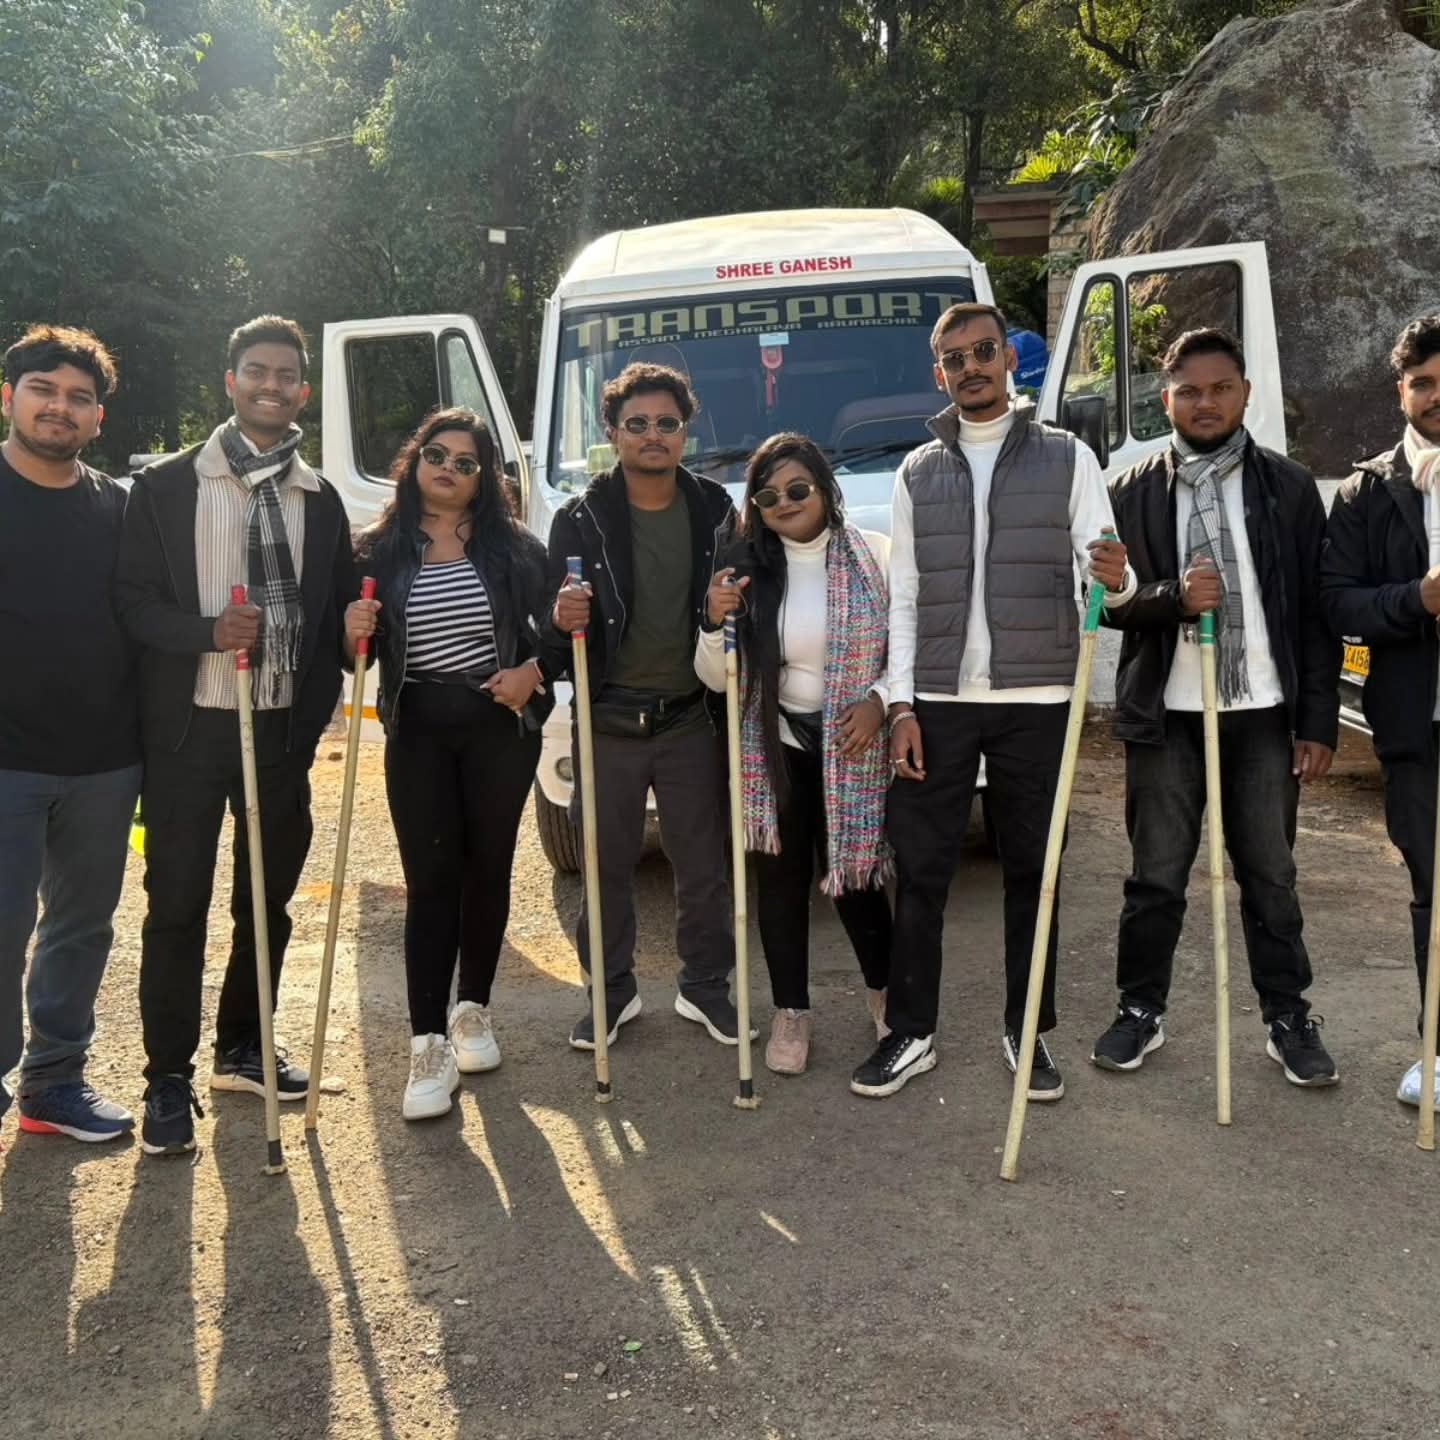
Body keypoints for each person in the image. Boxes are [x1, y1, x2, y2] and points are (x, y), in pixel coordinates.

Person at [852, 301, 1132, 1101]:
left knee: (1034, 871)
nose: (971, 367)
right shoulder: (917, 471)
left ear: (1009, 358)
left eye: (984, 352)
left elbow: (1109, 579)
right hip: (937, 702)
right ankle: (911, 1032)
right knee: (921, 871)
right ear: (937, 372)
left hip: (1038, 698)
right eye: (955, 358)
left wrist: (1120, 580)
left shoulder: (1068, 457)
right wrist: (901, 706)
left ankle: (1028, 1032)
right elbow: (905, 597)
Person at [115, 314, 357, 1156]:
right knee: (176, 906)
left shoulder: (321, 500)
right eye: (256, 370)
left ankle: (243, 1047)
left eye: (286, 375)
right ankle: (166, 1077)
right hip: (188, 734)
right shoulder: (165, 487)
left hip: (279, 732)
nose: (271, 385)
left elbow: (334, 616)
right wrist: (208, 632)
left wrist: (350, 639)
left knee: (267, 903)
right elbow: (132, 604)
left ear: (303, 391)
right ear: (230, 381)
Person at [1094, 328, 1340, 1086]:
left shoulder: (1288, 488)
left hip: (1263, 711)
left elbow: (1316, 614)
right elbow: (1108, 608)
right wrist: (1171, 596)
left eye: (1220, 389)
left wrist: (1317, 721)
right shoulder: (1132, 491)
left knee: (1269, 872)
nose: (1206, 403)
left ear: (1245, 394)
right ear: (1165, 399)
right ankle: (1140, 1009)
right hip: (1166, 715)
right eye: (1189, 391)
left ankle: (1287, 1016)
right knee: (1157, 875)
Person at [346, 408, 556, 1121]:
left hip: (500, 729)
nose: (448, 469)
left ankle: (473, 1011)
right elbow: (346, 649)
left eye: (467, 463)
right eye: (437, 454)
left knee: (487, 869)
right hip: (419, 731)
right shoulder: (377, 550)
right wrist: (349, 629)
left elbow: (564, 633)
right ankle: (427, 1044)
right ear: (415, 460)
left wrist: (533, 672)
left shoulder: (516, 550)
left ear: (484, 479)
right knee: (430, 880)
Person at [548, 362, 745, 1049]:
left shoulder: (716, 509)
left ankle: (705, 987)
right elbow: (552, 625)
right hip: (607, 719)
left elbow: (743, 601)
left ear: (686, 431)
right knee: (604, 870)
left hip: (690, 715)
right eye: (638, 424)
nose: (653, 435)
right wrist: (561, 614)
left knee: (704, 867)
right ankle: (611, 992)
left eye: (667, 423)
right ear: (613, 432)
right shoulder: (578, 519)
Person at [696, 434, 892, 1076]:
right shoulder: (745, 571)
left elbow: (906, 648)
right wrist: (713, 620)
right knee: (780, 885)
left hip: (852, 745)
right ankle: (791, 1011)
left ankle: (886, 992)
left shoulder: (875, 556)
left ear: (825, 490)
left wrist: (880, 701)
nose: (785, 502)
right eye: (768, 495)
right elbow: (717, 678)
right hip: (775, 747)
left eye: (798, 489)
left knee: (856, 879)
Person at [0, 325, 139, 1145]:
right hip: (4, 764)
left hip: (102, 764)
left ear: (97, 418)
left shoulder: (119, 508)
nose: (60, 407)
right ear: (8, 397)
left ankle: (53, 1086)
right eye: (44, 390)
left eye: (79, 398)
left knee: (82, 927)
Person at [1322, 314, 1440, 1106]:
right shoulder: (1367, 490)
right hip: (1414, 726)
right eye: (1422, 383)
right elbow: (1337, 602)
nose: (1435, 396)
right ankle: (1438, 1047)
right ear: (1400, 392)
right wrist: (1415, 600)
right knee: (1434, 885)